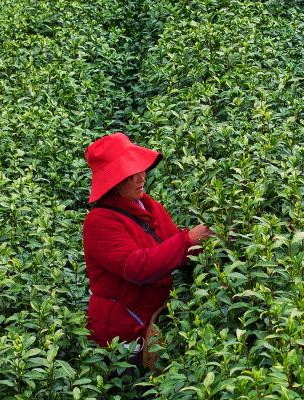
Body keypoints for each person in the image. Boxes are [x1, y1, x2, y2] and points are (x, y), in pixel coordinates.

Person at [82, 133, 214, 372]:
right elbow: (136, 268)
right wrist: (188, 241)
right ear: (113, 181)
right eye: (131, 173)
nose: (142, 177)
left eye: (141, 169)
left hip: (151, 321)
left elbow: (175, 247)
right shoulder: (99, 220)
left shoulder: (148, 205)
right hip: (121, 335)